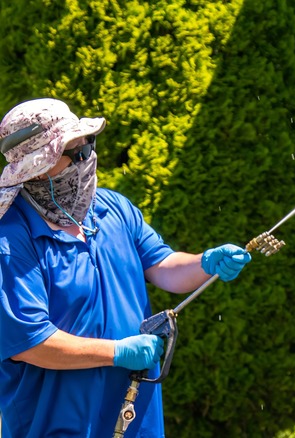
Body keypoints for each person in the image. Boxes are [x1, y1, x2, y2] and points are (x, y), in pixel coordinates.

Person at [0, 98, 252, 437]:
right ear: (38, 169)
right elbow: (31, 343)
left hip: (135, 421)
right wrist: (117, 352)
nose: (87, 157)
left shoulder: (112, 207)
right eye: (74, 151)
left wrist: (206, 263)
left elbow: (163, 266)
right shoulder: (12, 239)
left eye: (88, 144)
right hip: (57, 424)